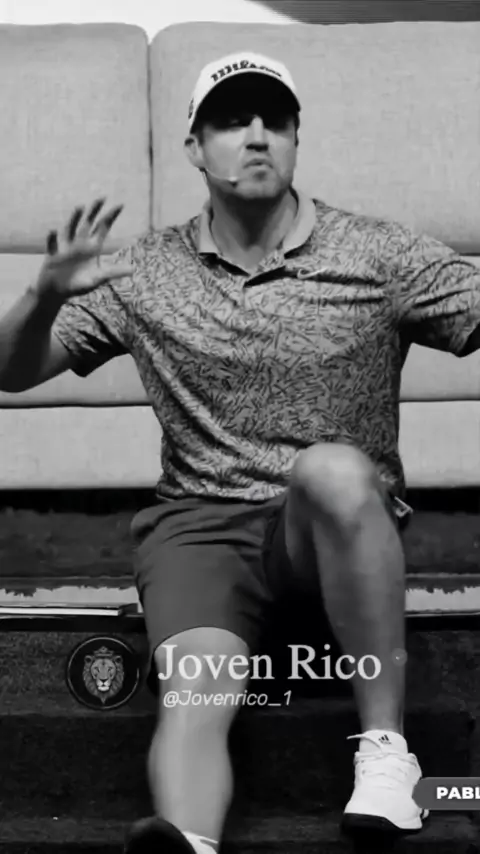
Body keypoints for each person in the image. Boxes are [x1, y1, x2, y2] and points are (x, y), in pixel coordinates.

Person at [1, 49, 480, 854]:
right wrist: (43, 295)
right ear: (195, 147)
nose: (257, 136)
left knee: (331, 467)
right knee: (196, 694)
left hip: (330, 526)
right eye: (230, 121)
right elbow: (12, 373)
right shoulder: (144, 270)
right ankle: (189, 841)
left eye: (275, 121)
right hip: (201, 528)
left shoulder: (380, 254)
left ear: (295, 139)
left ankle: (387, 760)